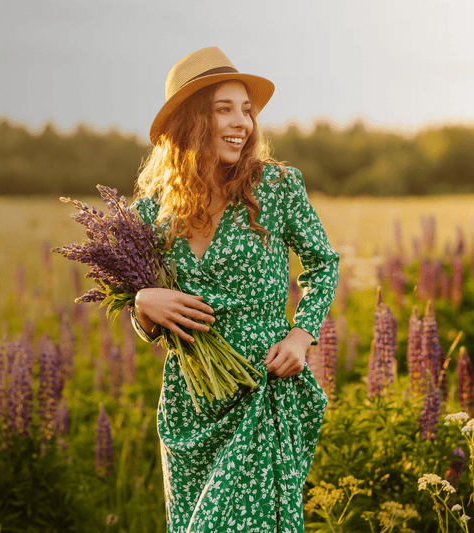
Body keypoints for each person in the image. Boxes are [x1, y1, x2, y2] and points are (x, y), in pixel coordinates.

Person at [130, 47, 339, 533]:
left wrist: (300, 336)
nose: (241, 122)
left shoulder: (278, 187)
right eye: (224, 108)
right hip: (189, 403)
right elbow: (143, 316)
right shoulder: (153, 211)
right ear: (191, 121)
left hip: (258, 389)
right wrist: (144, 304)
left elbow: (323, 264)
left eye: (246, 110)